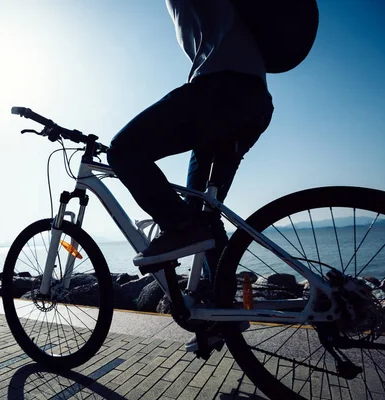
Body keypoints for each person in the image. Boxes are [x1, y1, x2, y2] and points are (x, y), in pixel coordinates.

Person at [106, 0, 274, 352]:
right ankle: (222, 310)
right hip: (252, 100)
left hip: (223, 89)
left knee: (124, 151)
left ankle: (180, 230)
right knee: (204, 210)